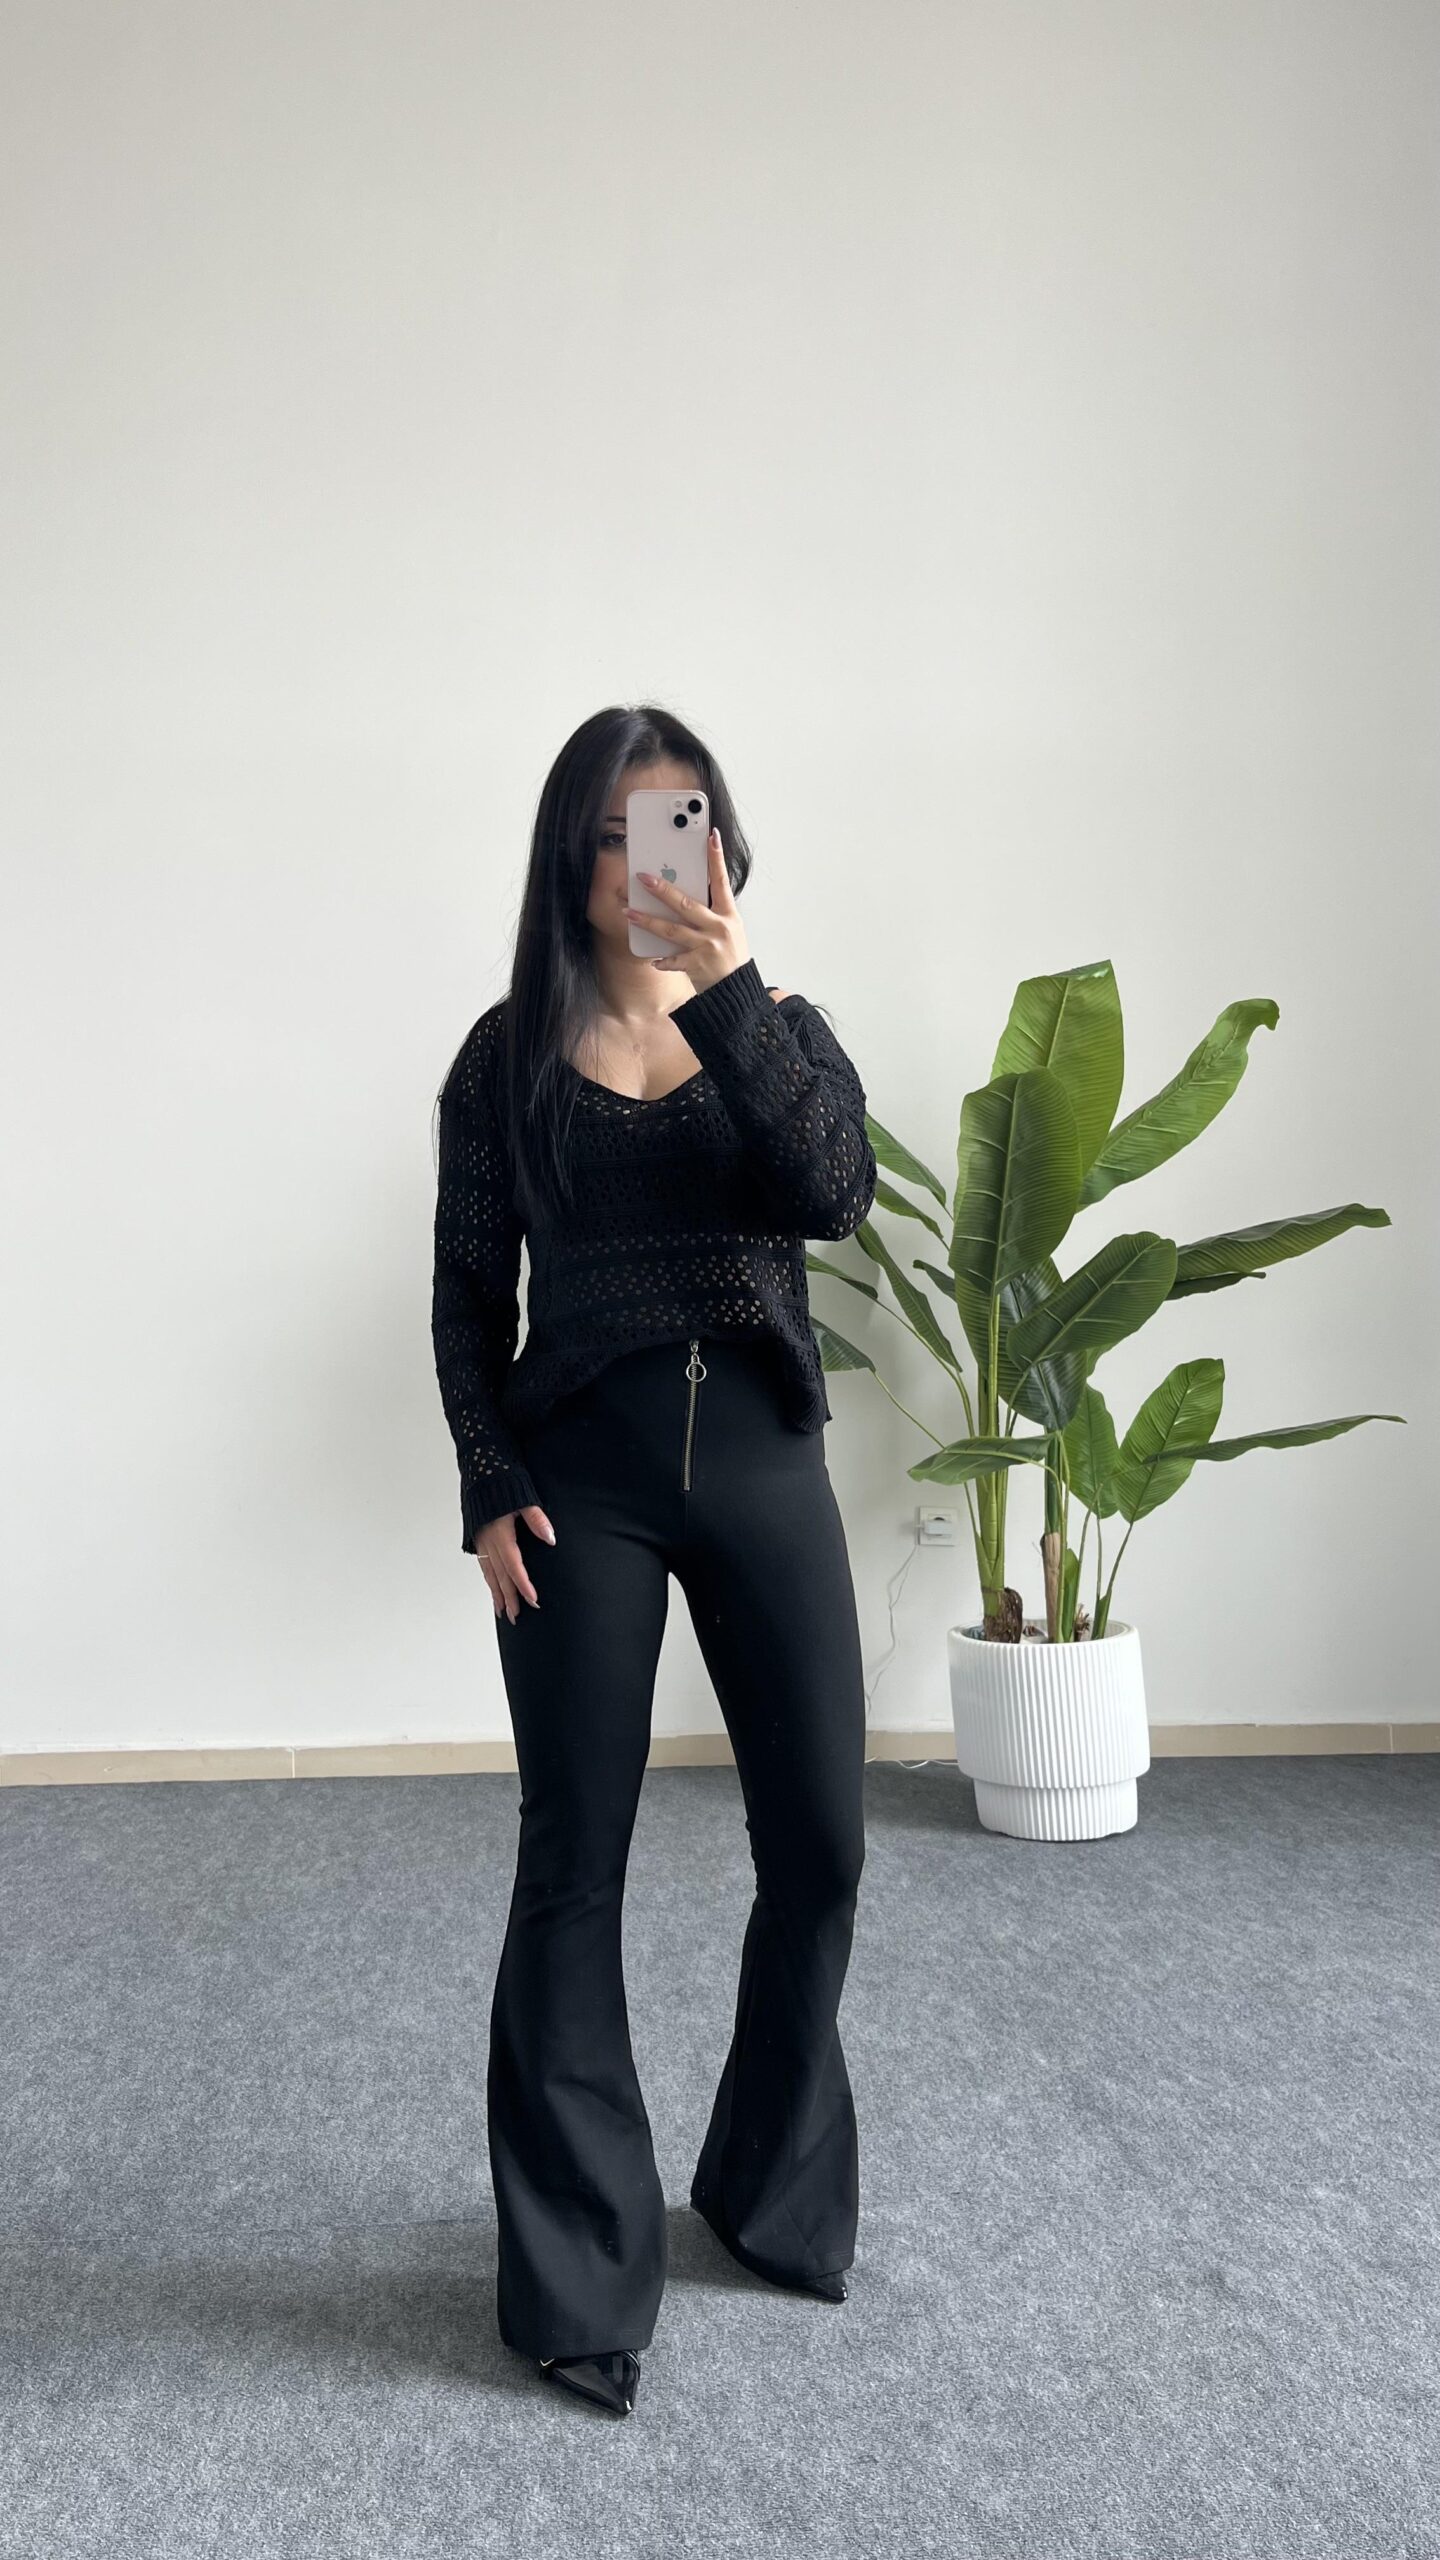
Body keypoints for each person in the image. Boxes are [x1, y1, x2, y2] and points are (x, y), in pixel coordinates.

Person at [430, 703, 876, 2419]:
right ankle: (576, 2275)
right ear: (572, 860)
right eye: (614, 836)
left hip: (761, 1463)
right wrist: (487, 1479)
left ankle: (767, 2188)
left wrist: (727, 993)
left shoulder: (782, 1031)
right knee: (575, 1860)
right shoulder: (505, 1060)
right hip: (581, 1485)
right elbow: (468, 1294)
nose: (644, 866)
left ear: (720, 847)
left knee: (821, 1844)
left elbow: (831, 1194)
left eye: (673, 829)